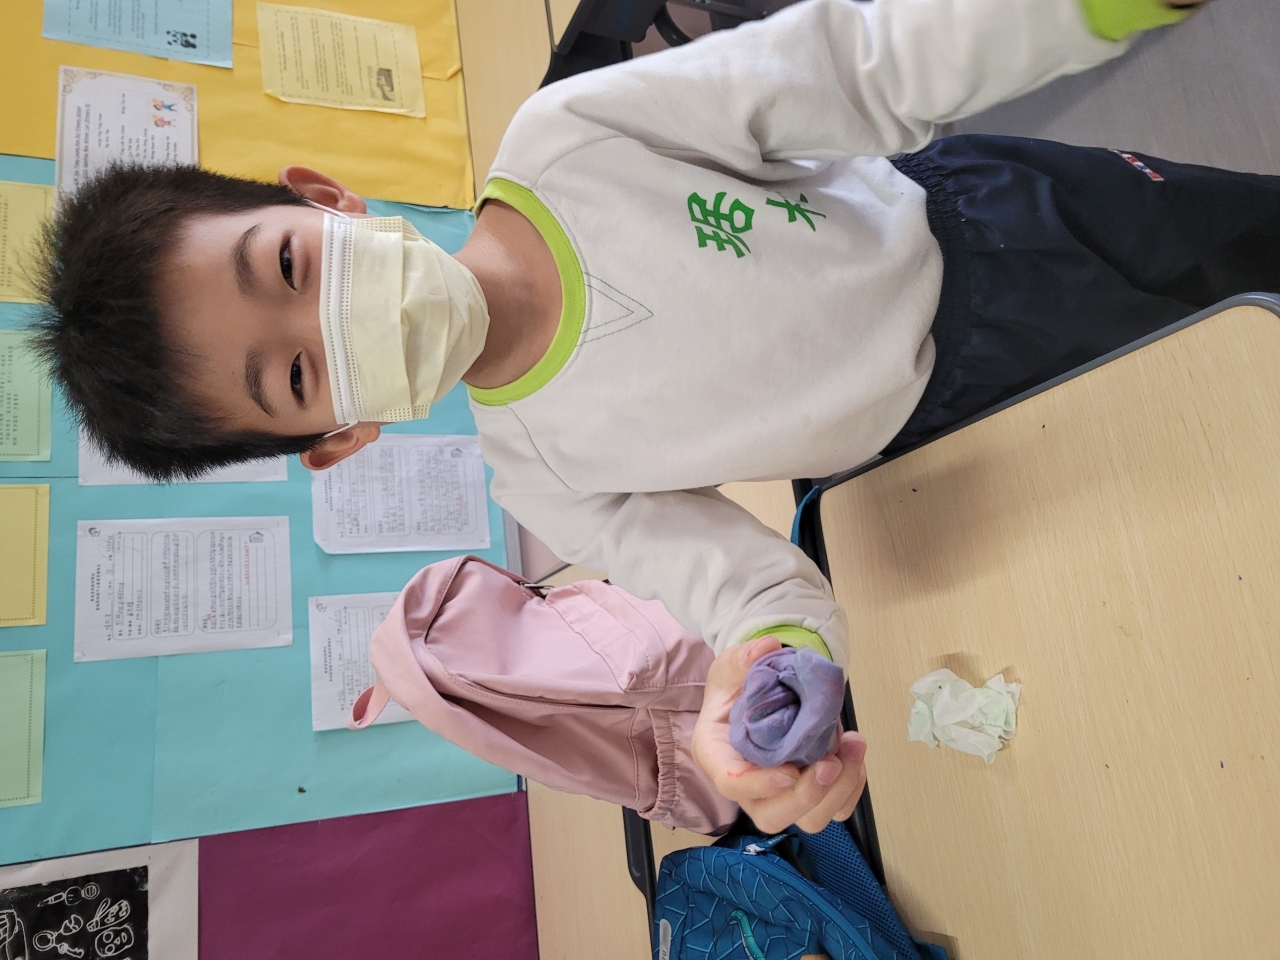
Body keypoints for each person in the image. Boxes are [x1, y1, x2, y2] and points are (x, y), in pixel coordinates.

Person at [34, 0, 1272, 832]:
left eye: (288, 267)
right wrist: (770, 680)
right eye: (300, 376)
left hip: (987, 222)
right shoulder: (542, 474)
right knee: (1222, 449)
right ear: (340, 439)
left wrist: (1074, 11)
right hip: (954, 434)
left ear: (326, 200)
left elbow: (858, 65)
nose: (329, 322)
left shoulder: (571, 137)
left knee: (1243, 238)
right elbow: (751, 590)